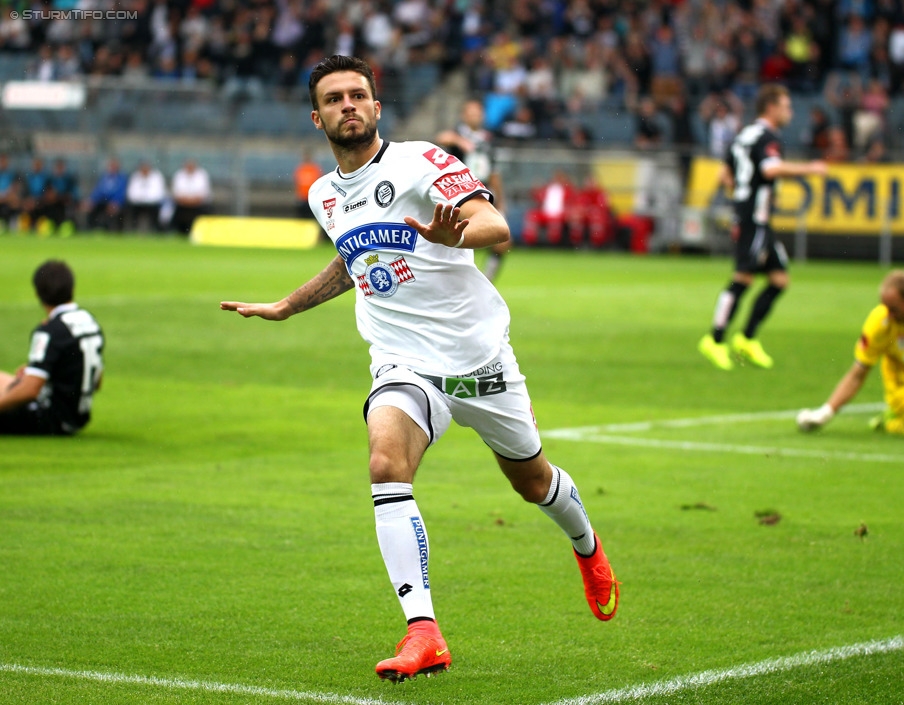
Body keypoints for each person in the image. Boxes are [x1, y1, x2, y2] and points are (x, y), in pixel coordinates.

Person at [221, 55, 619, 684]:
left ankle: (587, 547)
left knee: (533, 482)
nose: (348, 105)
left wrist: (455, 235)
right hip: (403, 360)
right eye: (334, 98)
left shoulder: (421, 162)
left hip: (478, 358)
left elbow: (494, 223)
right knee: (385, 462)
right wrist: (288, 305)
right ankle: (423, 633)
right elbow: (353, 260)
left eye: (359, 95)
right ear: (317, 116)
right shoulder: (323, 194)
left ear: (377, 108)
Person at [698, 83, 828, 371]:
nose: (790, 112)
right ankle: (715, 339)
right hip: (753, 219)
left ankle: (746, 339)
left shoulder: (744, 134)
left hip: (756, 217)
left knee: (779, 279)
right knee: (743, 277)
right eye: (786, 106)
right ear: (771, 107)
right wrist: (810, 170)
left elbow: (725, 174)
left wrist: (743, 189)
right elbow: (770, 169)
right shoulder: (768, 137)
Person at [796, 270, 904, 438]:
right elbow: (858, 374)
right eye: (885, 307)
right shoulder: (880, 324)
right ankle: (893, 422)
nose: (888, 314)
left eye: (894, 308)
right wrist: (824, 414)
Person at [0, 260, 105, 435]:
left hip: (51, 417)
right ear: (71, 289)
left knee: (12, 389)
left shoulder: (50, 331)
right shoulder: (89, 321)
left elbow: (30, 390)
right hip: (78, 416)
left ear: (38, 294)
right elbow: (97, 380)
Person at [436, 98, 512, 282]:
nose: (475, 117)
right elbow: (441, 137)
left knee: (504, 241)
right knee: (454, 239)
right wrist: (460, 141)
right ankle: (453, 278)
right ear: (464, 116)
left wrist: (501, 199)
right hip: (459, 194)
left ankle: (487, 279)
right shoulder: (457, 135)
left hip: (484, 194)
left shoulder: (487, 140)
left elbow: (494, 172)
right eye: (471, 113)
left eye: (477, 113)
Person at [81, 158, 127, 232]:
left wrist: (116, 202)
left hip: (114, 202)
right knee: (91, 208)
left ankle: (112, 231)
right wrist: (91, 200)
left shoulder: (122, 178)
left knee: (113, 211)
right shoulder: (104, 177)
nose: (112, 168)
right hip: (102, 201)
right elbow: (98, 191)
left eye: (114, 166)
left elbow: (121, 193)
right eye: (111, 166)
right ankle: (91, 230)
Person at [170, 159, 212, 235]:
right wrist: (187, 201)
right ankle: (175, 231)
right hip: (182, 204)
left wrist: (191, 201)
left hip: (198, 204)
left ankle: (202, 231)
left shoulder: (202, 175)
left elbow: (203, 194)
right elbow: (177, 194)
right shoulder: (179, 175)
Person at [125, 161, 167, 232]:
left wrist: (146, 199)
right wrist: (140, 199)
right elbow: (131, 193)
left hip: (152, 203)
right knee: (130, 208)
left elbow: (159, 193)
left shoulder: (156, 177)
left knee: (157, 209)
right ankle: (133, 229)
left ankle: (156, 229)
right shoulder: (135, 176)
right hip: (137, 203)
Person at [293, 149, 323, 218]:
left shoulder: (315, 168)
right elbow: (297, 183)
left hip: (312, 197)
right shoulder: (300, 169)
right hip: (303, 198)